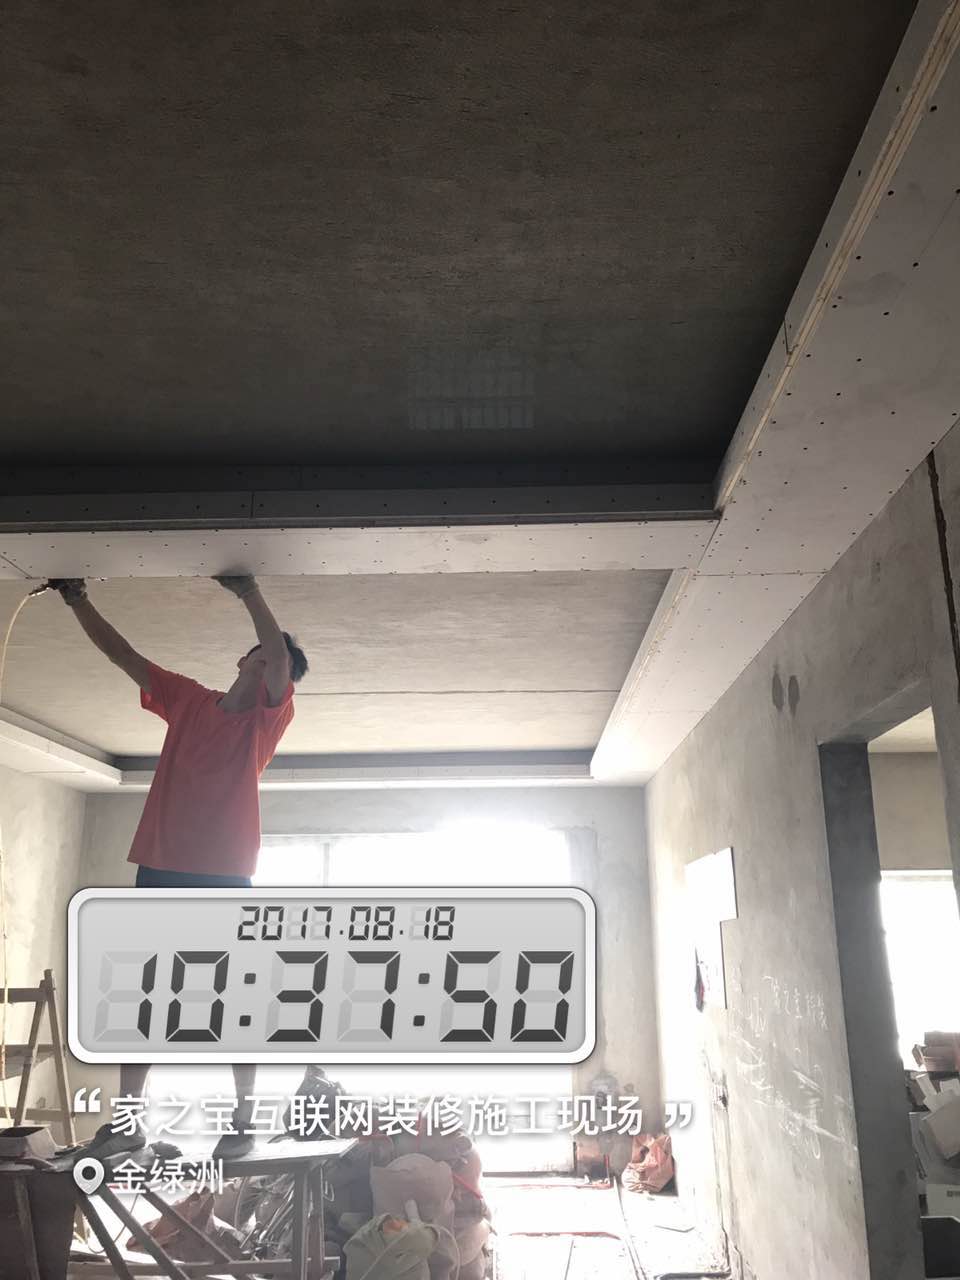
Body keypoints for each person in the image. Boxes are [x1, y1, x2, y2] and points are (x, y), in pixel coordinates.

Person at [51, 574, 307, 1159]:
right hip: (162, 868)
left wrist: (249, 591)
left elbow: (277, 656)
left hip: (223, 874)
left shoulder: (265, 721)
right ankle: (128, 1122)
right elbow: (123, 655)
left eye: (283, 664)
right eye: (265, 654)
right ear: (241, 659)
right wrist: (76, 598)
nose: (273, 663)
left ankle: (243, 1121)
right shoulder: (188, 700)